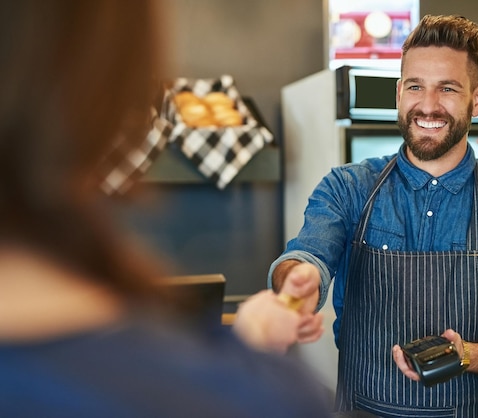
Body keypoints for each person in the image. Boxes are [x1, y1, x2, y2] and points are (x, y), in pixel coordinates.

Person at [0, 1, 330, 417]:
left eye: (443, 86)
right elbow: (315, 245)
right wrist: (298, 276)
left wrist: (255, 331)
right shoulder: (255, 396)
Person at [268, 14, 478, 417]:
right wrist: (298, 285)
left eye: (447, 89)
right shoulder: (348, 188)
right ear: (398, 93)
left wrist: (468, 355)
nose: (427, 105)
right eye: (415, 86)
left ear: (477, 99)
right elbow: (308, 256)